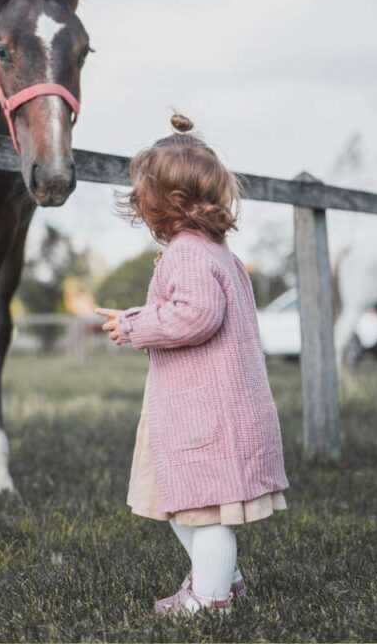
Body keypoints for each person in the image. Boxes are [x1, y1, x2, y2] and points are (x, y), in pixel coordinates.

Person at [97, 114, 288, 615]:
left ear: (165, 203)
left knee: (204, 514)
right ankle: (223, 580)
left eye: (144, 196)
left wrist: (133, 325)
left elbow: (196, 316)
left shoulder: (187, 253)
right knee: (182, 503)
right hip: (207, 412)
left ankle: (211, 599)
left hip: (208, 417)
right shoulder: (217, 252)